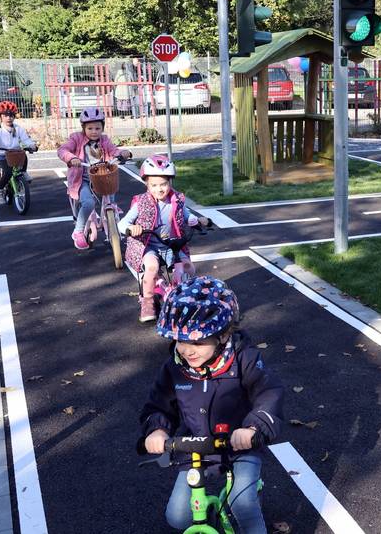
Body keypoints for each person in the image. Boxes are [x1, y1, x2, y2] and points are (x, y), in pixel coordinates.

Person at [141, 277, 284, 534]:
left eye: (197, 342)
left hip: (239, 445)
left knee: (242, 505)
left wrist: (253, 428)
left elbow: (268, 393)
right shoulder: (174, 368)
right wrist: (157, 430)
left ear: (223, 334)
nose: (186, 350)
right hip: (196, 448)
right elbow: (159, 405)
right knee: (178, 517)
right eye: (180, 340)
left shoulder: (245, 360)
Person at [118, 154, 211, 322]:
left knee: (188, 268)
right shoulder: (141, 202)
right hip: (149, 246)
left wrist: (197, 221)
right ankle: (147, 301)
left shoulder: (177, 200)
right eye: (154, 185)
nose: (159, 189)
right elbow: (122, 222)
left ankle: (184, 294)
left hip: (172, 245)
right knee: (152, 267)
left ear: (170, 182)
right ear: (146, 183)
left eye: (164, 184)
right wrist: (131, 228)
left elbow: (187, 215)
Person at [57, 107, 132, 250]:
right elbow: (62, 150)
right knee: (88, 203)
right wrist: (71, 158)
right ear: (83, 128)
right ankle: (78, 231)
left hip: (102, 176)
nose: (94, 131)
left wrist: (122, 153)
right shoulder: (76, 138)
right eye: (90, 128)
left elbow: (113, 150)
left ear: (102, 127)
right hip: (82, 179)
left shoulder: (104, 140)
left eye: (97, 128)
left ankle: (111, 221)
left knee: (110, 196)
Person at [0, 101, 35, 205]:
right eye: (5, 115)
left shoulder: (18, 128)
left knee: (23, 155)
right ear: (0, 116)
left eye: (11, 115)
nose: (9, 118)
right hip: (2, 154)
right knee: (8, 172)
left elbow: (26, 139)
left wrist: (31, 145)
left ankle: (23, 172)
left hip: (15, 153)